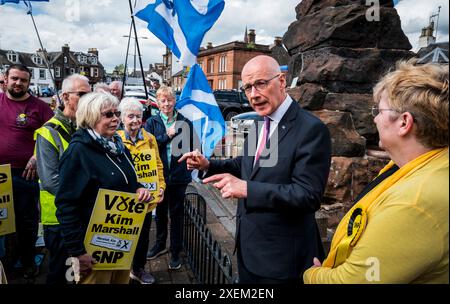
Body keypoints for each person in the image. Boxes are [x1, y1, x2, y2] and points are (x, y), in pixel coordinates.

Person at [179, 55, 331, 283]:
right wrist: (208, 164)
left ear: (281, 81)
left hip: (282, 261)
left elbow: (307, 195)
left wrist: (248, 189)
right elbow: (246, 165)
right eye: (247, 87)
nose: (253, 94)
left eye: (260, 83)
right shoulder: (261, 121)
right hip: (249, 251)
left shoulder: (311, 129)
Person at [303, 60, 449, 284]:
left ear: (404, 122)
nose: (375, 119)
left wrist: (312, 275)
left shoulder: (414, 204)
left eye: (379, 111)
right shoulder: (414, 165)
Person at [54, 92, 153, 284]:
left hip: (121, 243)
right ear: (91, 117)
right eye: (108, 114)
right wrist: (78, 252)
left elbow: (130, 180)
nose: (116, 118)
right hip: (93, 250)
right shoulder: (78, 152)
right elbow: (65, 206)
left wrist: (139, 188)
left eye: (116, 113)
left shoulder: (118, 146)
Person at [34, 74, 91, 284]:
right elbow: (50, 181)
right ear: (66, 97)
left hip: (83, 216)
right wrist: (86, 198)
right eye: (82, 94)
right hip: (58, 219)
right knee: (62, 273)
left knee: (82, 272)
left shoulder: (86, 128)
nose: (88, 99)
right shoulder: (48, 132)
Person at [0, 64, 54, 280]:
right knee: (2, 221)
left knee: (27, 222)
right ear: (5, 78)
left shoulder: (40, 108)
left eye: (23, 80)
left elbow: (52, 136)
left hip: (26, 174)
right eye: (14, 78)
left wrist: (36, 155)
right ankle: (6, 264)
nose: (18, 83)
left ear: (29, 82)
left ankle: (28, 261)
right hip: (0, 174)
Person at [144, 86, 197, 270]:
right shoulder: (151, 123)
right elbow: (149, 147)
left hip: (178, 177)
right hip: (159, 177)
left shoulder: (185, 122)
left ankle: (175, 250)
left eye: (170, 100)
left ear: (175, 101)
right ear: (157, 103)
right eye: (163, 101)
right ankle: (159, 244)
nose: (166, 104)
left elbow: (194, 146)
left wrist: (191, 164)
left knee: (176, 215)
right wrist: (168, 134)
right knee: (160, 213)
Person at [117, 98, 166, 284]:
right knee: (124, 236)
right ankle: (121, 270)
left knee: (143, 236)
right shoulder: (115, 140)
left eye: (138, 116)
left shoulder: (150, 139)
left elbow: (158, 166)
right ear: (122, 118)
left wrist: (160, 187)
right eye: (130, 116)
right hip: (124, 199)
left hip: (145, 200)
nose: (135, 120)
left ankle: (138, 268)